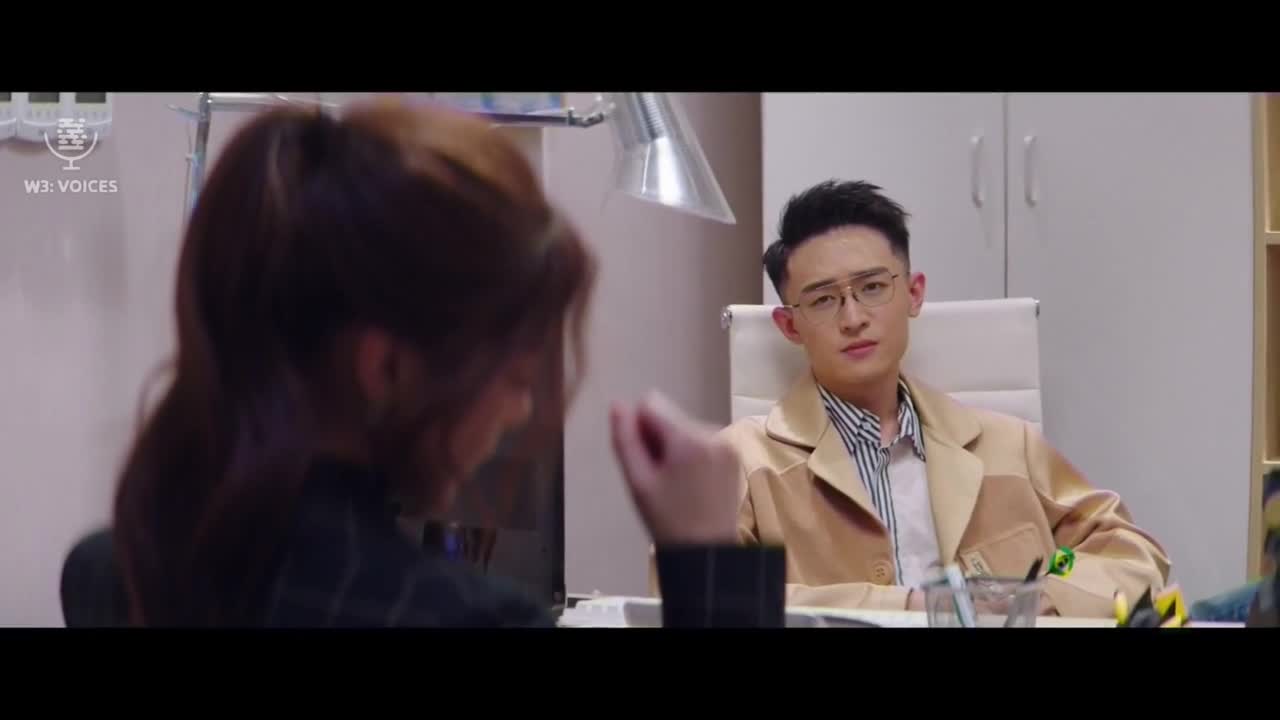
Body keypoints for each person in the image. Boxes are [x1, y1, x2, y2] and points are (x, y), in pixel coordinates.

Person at [94, 100, 785, 628]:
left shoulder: (117, 568)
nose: (519, 412)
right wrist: (708, 560)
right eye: (515, 380)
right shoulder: (465, 617)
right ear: (385, 370)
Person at [720, 179, 1170, 617]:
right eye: (823, 300)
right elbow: (709, 594)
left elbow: (1127, 555)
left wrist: (1044, 596)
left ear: (913, 294)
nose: (853, 318)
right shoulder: (740, 460)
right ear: (790, 326)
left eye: (872, 288)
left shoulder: (1009, 446)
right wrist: (908, 607)